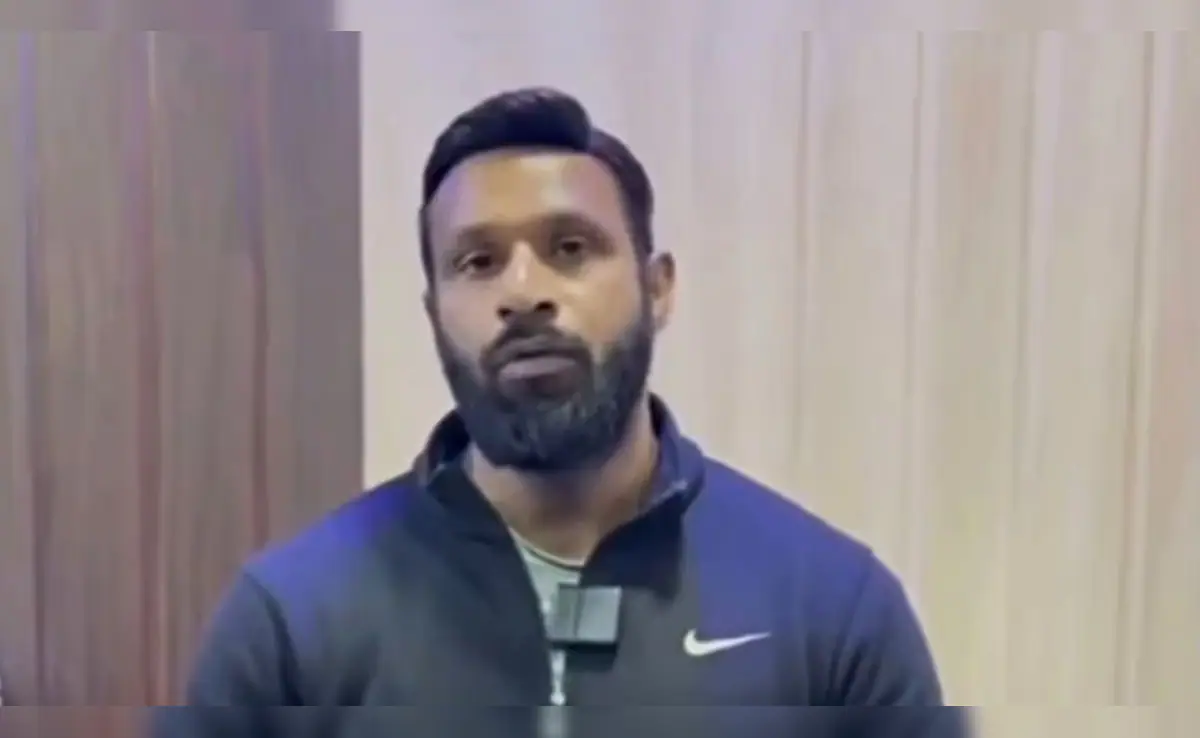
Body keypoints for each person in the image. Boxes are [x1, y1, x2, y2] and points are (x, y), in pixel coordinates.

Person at [152, 88, 968, 738]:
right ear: (435, 314)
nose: (523, 291)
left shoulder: (830, 608)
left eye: (570, 248)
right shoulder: (293, 619)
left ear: (657, 288)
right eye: (478, 261)